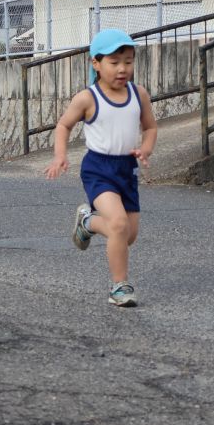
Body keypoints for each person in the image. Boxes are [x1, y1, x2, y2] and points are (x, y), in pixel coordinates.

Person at [45, 29, 158, 307]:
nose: (123, 69)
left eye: (128, 62)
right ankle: (120, 286)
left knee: (128, 235)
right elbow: (63, 125)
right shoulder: (88, 98)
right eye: (114, 62)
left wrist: (145, 149)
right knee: (118, 224)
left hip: (126, 168)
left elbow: (151, 127)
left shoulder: (138, 93)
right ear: (95, 63)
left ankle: (87, 222)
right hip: (98, 168)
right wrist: (60, 155)